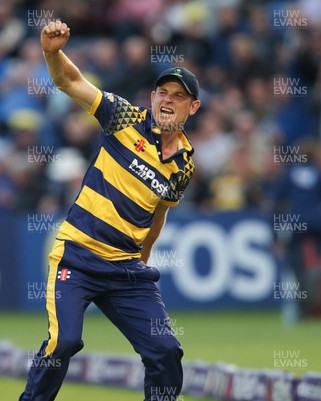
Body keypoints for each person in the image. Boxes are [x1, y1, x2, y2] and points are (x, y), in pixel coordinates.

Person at [19, 21, 201, 401]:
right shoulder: (124, 118)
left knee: (165, 351)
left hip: (125, 269)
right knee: (63, 342)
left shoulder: (184, 165)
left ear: (193, 107)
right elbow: (71, 82)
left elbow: (159, 214)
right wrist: (52, 53)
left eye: (178, 96)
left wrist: (141, 259)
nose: (167, 100)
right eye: (162, 92)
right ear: (152, 97)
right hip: (78, 257)